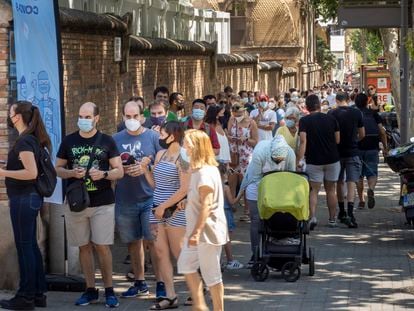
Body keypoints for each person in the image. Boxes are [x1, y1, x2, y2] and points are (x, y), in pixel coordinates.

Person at [55, 102, 124, 308]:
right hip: (77, 202)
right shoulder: (69, 141)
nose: (83, 120)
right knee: (83, 247)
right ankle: (90, 289)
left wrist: (103, 174)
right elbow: (57, 168)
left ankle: (110, 290)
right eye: (80, 116)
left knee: (102, 246)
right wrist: (70, 173)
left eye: (87, 117)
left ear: (96, 118)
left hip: (102, 201)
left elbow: (119, 171)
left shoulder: (107, 141)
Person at [0, 101, 50, 310]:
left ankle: (26, 297)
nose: (8, 117)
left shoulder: (24, 142)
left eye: (10, 113)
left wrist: (3, 173)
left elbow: (31, 173)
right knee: (30, 246)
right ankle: (38, 294)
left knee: (25, 247)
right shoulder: (30, 140)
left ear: (18, 116)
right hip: (28, 199)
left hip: (24, 199)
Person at [112, 100, 164, 300]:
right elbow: (110, 166)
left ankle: (161, 282)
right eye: (128, 116)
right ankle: (140, 282)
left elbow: (165, 165)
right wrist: (121, 170)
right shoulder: (115, 139)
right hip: (125, 198)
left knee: (153, 242)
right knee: (133, 243)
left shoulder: (154, 137)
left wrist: (146, 167)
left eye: (135, 116)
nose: (132, 120)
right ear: (123, 117)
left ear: (142, 117)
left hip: (150, 198)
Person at [141, 121, 190, 310]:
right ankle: (170, 296)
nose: (160, 138)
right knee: (161, 253)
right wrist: (146, 170)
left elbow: (184, 188)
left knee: (179, 253)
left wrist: (164, 206)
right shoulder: (160, 155)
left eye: (162, 134)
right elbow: (155, 185)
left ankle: (196, 288)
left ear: (173, 135)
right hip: (157, 209)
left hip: (175, 211)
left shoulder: (184, 157)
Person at [177, 129, 228, 311]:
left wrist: (196, 232)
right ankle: (199, 305)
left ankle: (218, 309)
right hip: (197, 232)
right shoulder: (198, 170)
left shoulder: (205, 173)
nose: (184, 148)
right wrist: (187, 202)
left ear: (197, 148)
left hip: (207, 233)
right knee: (185, 264)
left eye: (187, 145)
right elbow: (199, 199)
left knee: (211, 275)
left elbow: (207, 204)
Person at [238, 135, 296, 267]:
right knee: (256, 220)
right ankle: (255, 253)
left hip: (277, 186)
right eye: (275, 160)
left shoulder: (290, 154)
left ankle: (274, 247)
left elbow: (291, 178)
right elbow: (255, 178)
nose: (277, 163)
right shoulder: (260, 152)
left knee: (276, 218)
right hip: (257, 184)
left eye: (280, 161)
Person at [298, 95, 340, 230]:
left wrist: (299, 159)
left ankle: (313, 217)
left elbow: (303, 141)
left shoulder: (304, 121)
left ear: (307, 107)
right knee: (331, 190)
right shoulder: (331, 118)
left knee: (313, 191)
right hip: (332, 159)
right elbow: (338, 140)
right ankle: (332, 219)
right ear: (319, 105)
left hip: (313, 161)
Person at [328, 92, 365, 228]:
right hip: (353, 152)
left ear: (336, 100)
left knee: (339, 182)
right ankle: (350, 213)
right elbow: (362, 134)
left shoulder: (331, 114)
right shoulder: (357, 113)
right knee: (351, 183)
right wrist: (355, 141)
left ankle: (341, 211)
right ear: (348, 100)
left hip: (337, 154)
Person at [355, 93, 388, 209]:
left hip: (357, 148)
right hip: (373, 147)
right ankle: (371, 189)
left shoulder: (354, 114)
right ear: (367, 101)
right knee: (372, 172)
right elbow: (382, 132)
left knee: (358, 176)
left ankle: (361, 200)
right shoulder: (374, 114)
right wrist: (385, 148)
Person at [227, 103, 258, 221]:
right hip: (233, 153)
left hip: (246, 155)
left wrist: (246, 139)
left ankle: (247, 211)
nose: (237, 116)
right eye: (235, 114)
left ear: (244, 112)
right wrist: (229, 137)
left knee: (245, 183)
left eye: (239, 114)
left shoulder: (251, 123)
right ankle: (231, 206)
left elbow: (255, 141)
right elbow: (229, 133)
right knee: (232, 181)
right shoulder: (231, 120)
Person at [219, 164, 244, 270]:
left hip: (217, 214)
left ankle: (218, 260)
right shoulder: (225, 188)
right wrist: (240, 195)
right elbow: (232, 202)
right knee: (226, 238)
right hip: (225, 214)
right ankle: (230, 260)